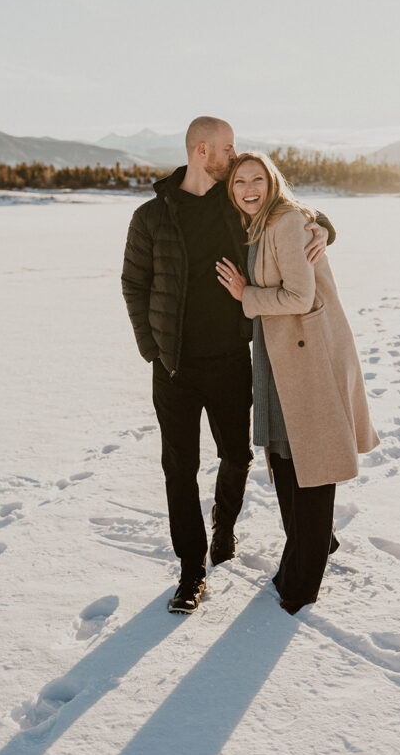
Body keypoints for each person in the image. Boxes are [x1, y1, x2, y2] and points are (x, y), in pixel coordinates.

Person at [121, 118, 335, 614]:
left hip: (231, 360)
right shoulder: (151, 217)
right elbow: (134, 284)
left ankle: (225, 526)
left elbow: (293, 213)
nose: (234, 157)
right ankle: (191, 569)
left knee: (236, 455)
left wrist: (324, 228)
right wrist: (153, 350)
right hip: (173, 368)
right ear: (202, 151)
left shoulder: (236, 204)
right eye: (227, 149)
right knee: (180, 468)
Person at [216, 151, 379, 614]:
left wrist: (245, 295)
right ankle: (314, 545)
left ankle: (302, 584)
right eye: (239, 182)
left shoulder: (285, 221)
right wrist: (322, 225)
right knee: (287, 459)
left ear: (272, 182)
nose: (248, 189)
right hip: (282, 356)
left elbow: (300, 296)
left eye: (257, 180)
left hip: (308, 359)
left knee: (312, 464)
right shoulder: (263, 222)